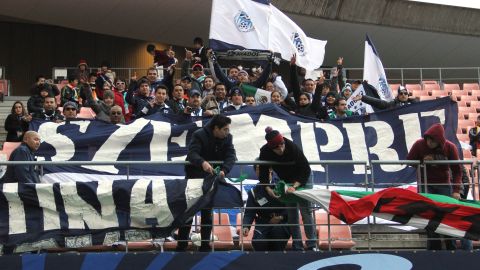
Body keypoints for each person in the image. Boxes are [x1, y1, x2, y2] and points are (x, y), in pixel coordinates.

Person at [176, 114, 237, 252]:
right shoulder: (199, 135)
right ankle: (181, 245)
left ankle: (205, 245)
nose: (227, 132)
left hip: (211, 180)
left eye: (228, 129)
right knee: (188, 213)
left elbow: (231, 156)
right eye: (225, 129)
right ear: (216, 128)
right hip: (194, 178)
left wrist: (224, 170)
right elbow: (192, 154)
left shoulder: (228, 138)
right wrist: (202, 163)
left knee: (207, 214)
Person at [258, 127, 318, 251]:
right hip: (286, 180)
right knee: (292, 214)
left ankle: (312, 244)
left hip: (303, 178)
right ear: (270, 148)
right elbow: (263, 172)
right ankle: (297, 245)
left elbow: (305, 169)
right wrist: (267, 188)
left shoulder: (292, 147)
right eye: (276, 148)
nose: (280, 149)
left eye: (282, 145)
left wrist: (295, 186)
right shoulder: (264, 151)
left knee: (305, 211)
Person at [406, 123, 462, 250]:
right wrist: (422, 162)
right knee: (429, 216)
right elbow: (409, 160)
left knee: (447, 217)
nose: (429, 143)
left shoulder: (450, 147)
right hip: (425, 185)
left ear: (440, 141)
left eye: (433, 141)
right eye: (428, 139)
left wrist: (456, 190)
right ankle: (433, 248)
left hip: (444, 185)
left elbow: (457, 170)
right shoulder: (419, 144)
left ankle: (451, 247)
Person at [242, 164, 289, 251]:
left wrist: (281, 217)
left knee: (277, 235)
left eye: (262, 168)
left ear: (270, 169)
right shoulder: (254, 192)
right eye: (257, 169)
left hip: (281, 223)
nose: (260, 171)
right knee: (258, 242)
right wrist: (246, 226)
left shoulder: (282, 186)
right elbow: (249, 213)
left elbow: (290, 208)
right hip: (263, 224)